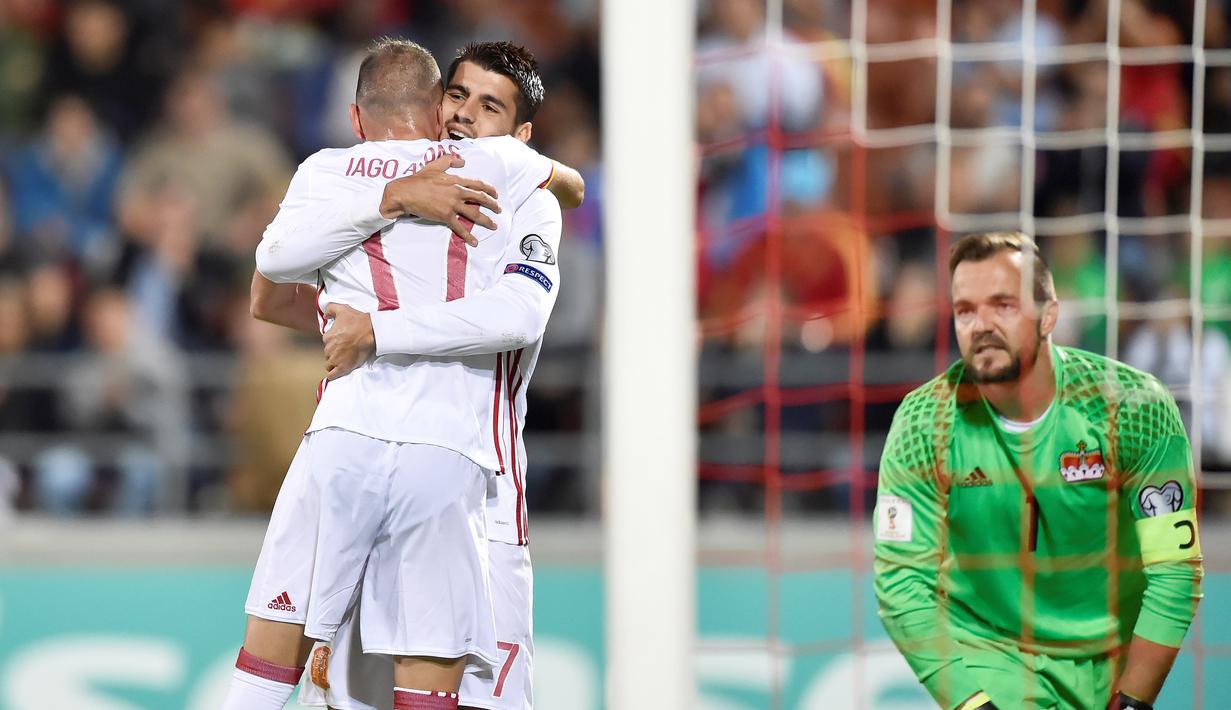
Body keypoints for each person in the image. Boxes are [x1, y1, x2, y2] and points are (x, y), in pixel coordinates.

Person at [221, 39, 555, 710]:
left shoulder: (330, 169)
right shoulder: (511, 174)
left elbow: (271, 277)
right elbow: (271, 293)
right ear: (434, 107)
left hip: (396, 458)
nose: (464, 115)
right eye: (457, 96)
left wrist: (372, 327)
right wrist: (396, 195)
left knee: (275, 665)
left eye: (488, 106)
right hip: (452, 457)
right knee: (399, 691)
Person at [873, 231, 1204, 710]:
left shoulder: (1134, 409)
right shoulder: (925, 423)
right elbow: (902, 582)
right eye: (965, 311)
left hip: (1111, 659)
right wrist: (972, 703)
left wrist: (1134, 699)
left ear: (1049, 314)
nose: (981, 325)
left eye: (1003, 305)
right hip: (991, 651)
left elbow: (1175, 569)